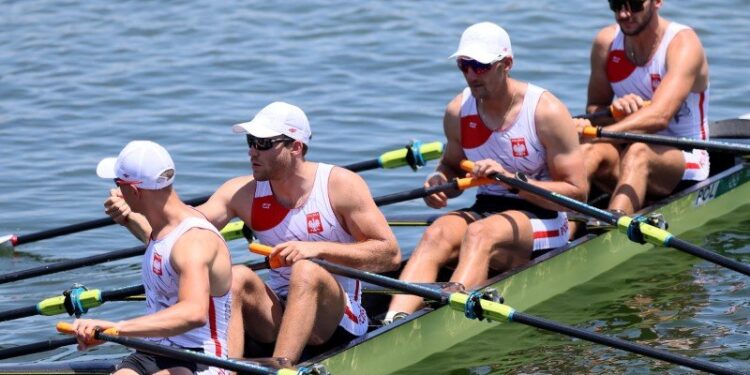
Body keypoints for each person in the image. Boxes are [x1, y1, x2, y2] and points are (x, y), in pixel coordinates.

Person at [105, 102, 401, 364]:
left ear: (295, 147)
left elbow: (389, 254)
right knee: (236, 276)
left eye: (263, 143)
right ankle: (227, 368)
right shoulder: (242, 193)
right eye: (250, 141)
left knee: (307, 271)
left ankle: (280, 365)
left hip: (339, 317)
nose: (251, 151)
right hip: (280, 311)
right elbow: (180, 241)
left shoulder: (340, 186)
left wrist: (318, 250)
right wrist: (131, 216)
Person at [385, 22, 588, 321]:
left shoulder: (545, 112)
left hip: (545, 216)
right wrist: (440, 182)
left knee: (480, 234)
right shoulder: (458, 111)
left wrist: (512, 180)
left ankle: (450, 317)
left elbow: (577, 194)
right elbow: (451, 165)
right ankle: (395, 322)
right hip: (487, 208)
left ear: (506, 64)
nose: (470, 75)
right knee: (436, 233)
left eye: (479, 66)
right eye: (463, 66)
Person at [74, 141, 233, 375]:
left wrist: (118, 329)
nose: (115, 192)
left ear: (135, 190)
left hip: (199, 359)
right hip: (151, 351)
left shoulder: (194, 241)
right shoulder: (161, 230)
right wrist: (127, 217)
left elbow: (194, 312)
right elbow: (157, 244)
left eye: (118, 184)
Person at [575, 0, 710, 214]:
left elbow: (659, 117)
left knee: (639, 152)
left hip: (687, 157)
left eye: (635, 4)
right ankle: (562, 226)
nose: (624, 14)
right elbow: (595, 109)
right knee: (588, 151)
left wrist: (599, 133)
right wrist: (615, 113)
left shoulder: (682, 44)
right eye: (616, 5)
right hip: (628, 149)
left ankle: (613, 231)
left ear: (657, 2)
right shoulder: (607, 43)